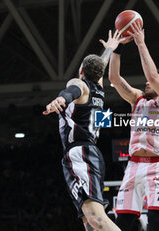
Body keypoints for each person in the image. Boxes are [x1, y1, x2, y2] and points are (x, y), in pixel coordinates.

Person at [43, 30, 124, 231]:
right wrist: (109, 49)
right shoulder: (98, 88)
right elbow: (99, 68)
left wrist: (61, 99)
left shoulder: (79, 84)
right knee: (88, 221)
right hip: (88, 152)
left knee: (95, 218)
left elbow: (71, 91)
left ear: (81, 70)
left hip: (80, 152)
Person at [109, 22, 159, 231]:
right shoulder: (137, 98)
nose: (147, 83)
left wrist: (141, 44)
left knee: (157, 219)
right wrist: (118, 49)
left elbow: (153, 77)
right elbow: (114, 78)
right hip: (133, 165)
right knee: (122, 221)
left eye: (154, 83)